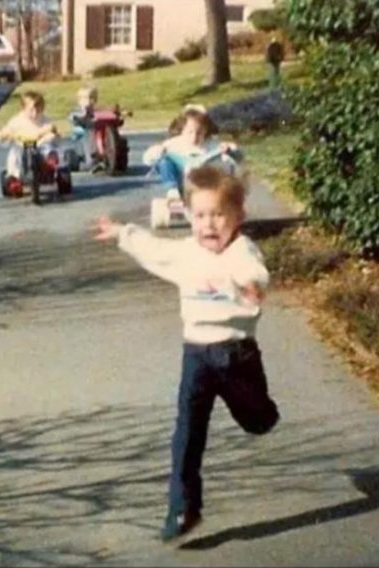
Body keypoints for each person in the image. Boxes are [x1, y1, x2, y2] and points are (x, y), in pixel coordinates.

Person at [93, 165, 280, 544]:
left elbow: (254, 272)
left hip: (236, 355)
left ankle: (264, 413)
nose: (208, 225)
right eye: (199, 216)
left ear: (238, 217)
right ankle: (183, 509)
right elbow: (155, 251)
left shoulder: (241, 251)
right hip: (196, 354)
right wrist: (122, 233)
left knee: (257, 421)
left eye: (218, 215)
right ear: (189, 217)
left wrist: (251, 287)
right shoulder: (187, 252)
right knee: (187, 433)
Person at [144, 105, 244, 198]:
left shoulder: (212, 144)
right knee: (164, 162)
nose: (194, 137)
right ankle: (172, 190)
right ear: (182, 130)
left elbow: (238, 159)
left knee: (221, 165)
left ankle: (217, 194)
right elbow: (147, 160)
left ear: (206, 131)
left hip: (204, 178)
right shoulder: (173, 144)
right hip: (180, 178)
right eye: (190, 132)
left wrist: (230, 150)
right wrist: (157, 151)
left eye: (199, 132)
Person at [0, 90, 59, 187]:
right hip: (22, 145)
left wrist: (52, 132)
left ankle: (50, 164)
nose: (35, 113)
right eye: (31, 110)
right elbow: (3, 135)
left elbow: (53, 133)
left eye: (38, 109)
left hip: (39, 145)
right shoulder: (17, 121)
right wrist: (3, 135)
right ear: (23, 109)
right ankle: (13, 177)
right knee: (14, 153)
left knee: (48, 145)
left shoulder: (44, 120)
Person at [68, 86, 102, 171]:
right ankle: (91, 160)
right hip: (81, 135)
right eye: (87, 98)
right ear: (80, 100)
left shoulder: (96, 111)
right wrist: (82, 117)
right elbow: (73, 118)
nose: (91, 101)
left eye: (93, 98)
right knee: (88, 134)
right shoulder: (78, 112)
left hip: (95, 133)